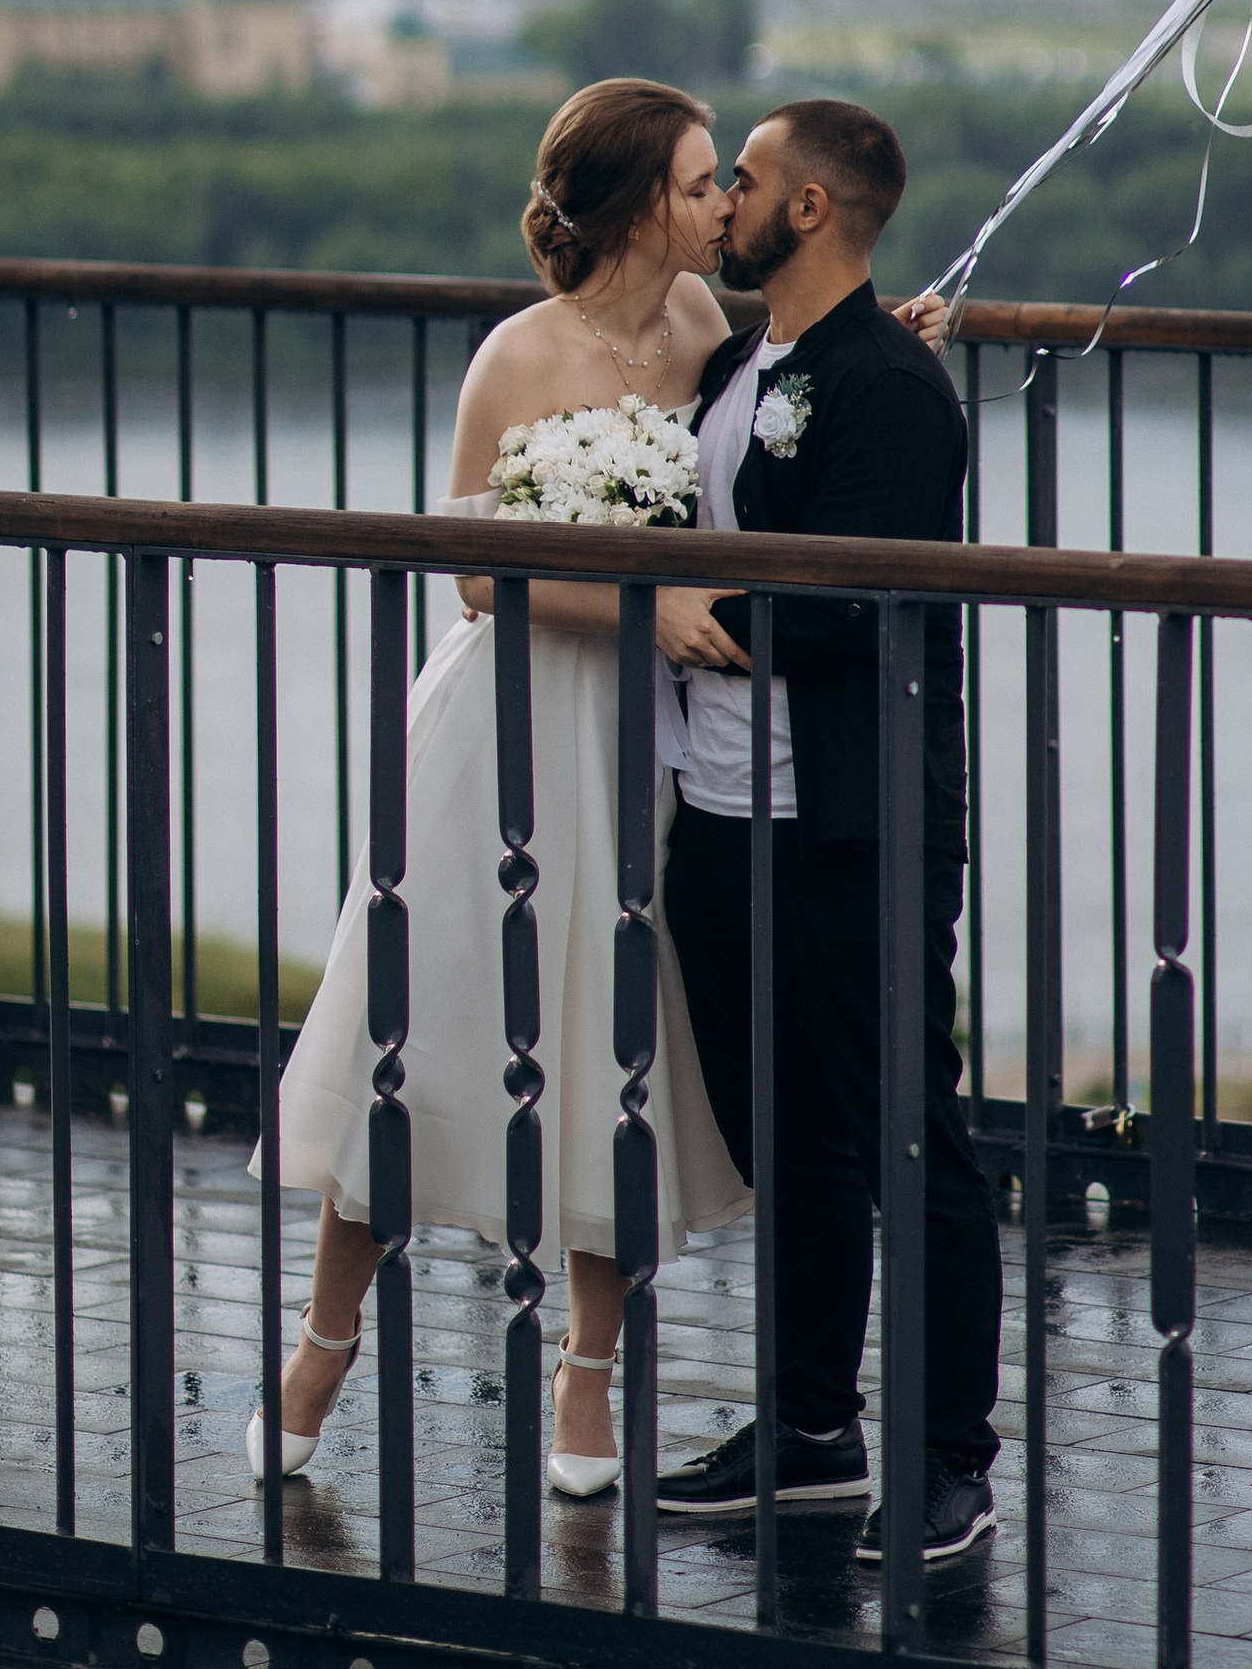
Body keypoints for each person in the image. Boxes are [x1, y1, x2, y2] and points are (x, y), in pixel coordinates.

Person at [257, 77, 755, 1494]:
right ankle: (320, 1351)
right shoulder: (516, 359)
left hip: (637, 742)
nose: (722, 202)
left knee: (614, 1039)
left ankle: (585, 1388)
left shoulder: (709, 330)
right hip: (504, 724)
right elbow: (475, 573)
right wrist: (640, 601)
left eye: (726, 179)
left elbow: (763, 421)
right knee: (421, 1023)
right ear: (635, 201)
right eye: (702, 180)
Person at [656, 97, 1002, 1571]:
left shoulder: (894, 389)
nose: (722, 200)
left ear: (809, 209)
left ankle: (945, 1459)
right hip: (724, 809)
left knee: (906, 1130)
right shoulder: (747, 362)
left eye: (743, 180)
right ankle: (809, 1431)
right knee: (780, 1129)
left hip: (852, 820)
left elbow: (855, 599)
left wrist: (686, 615)